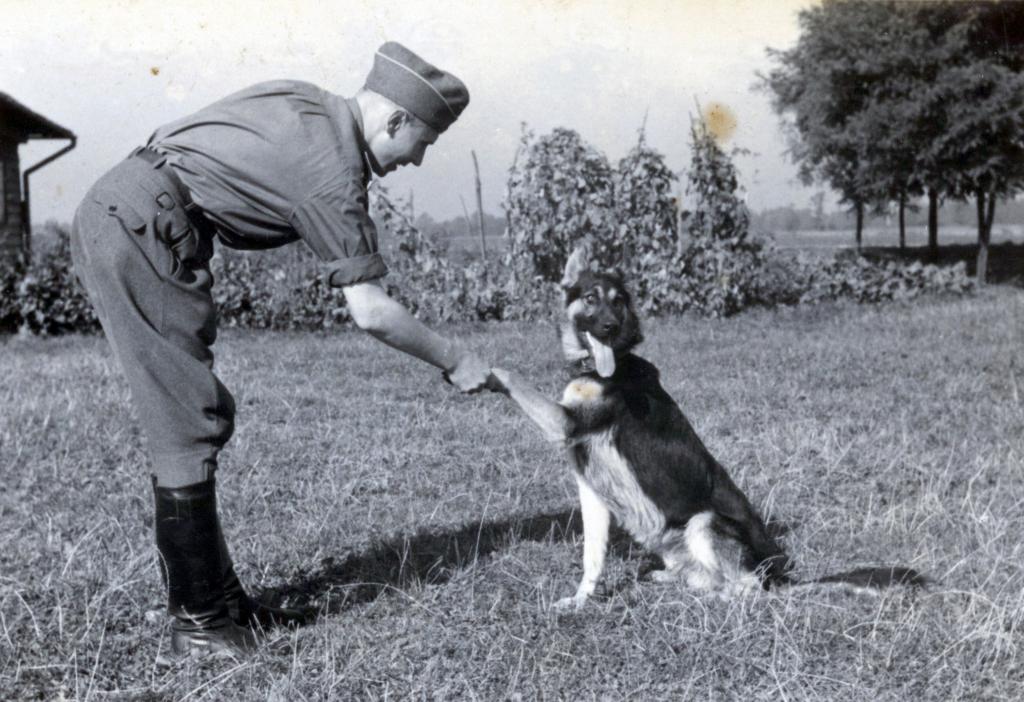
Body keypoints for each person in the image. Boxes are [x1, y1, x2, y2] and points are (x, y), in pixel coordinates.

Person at [70, 42, 491, 660]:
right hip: (142, 226)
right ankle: (200, 623)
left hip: (136, 209)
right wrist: (456, 359)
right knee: (186, 420)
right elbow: (371, 311)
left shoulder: (310, 102)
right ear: (395, 121)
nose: (418, 160)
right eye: (422, 142)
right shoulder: (333, 173)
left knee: (192, 412)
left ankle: (225, 601)